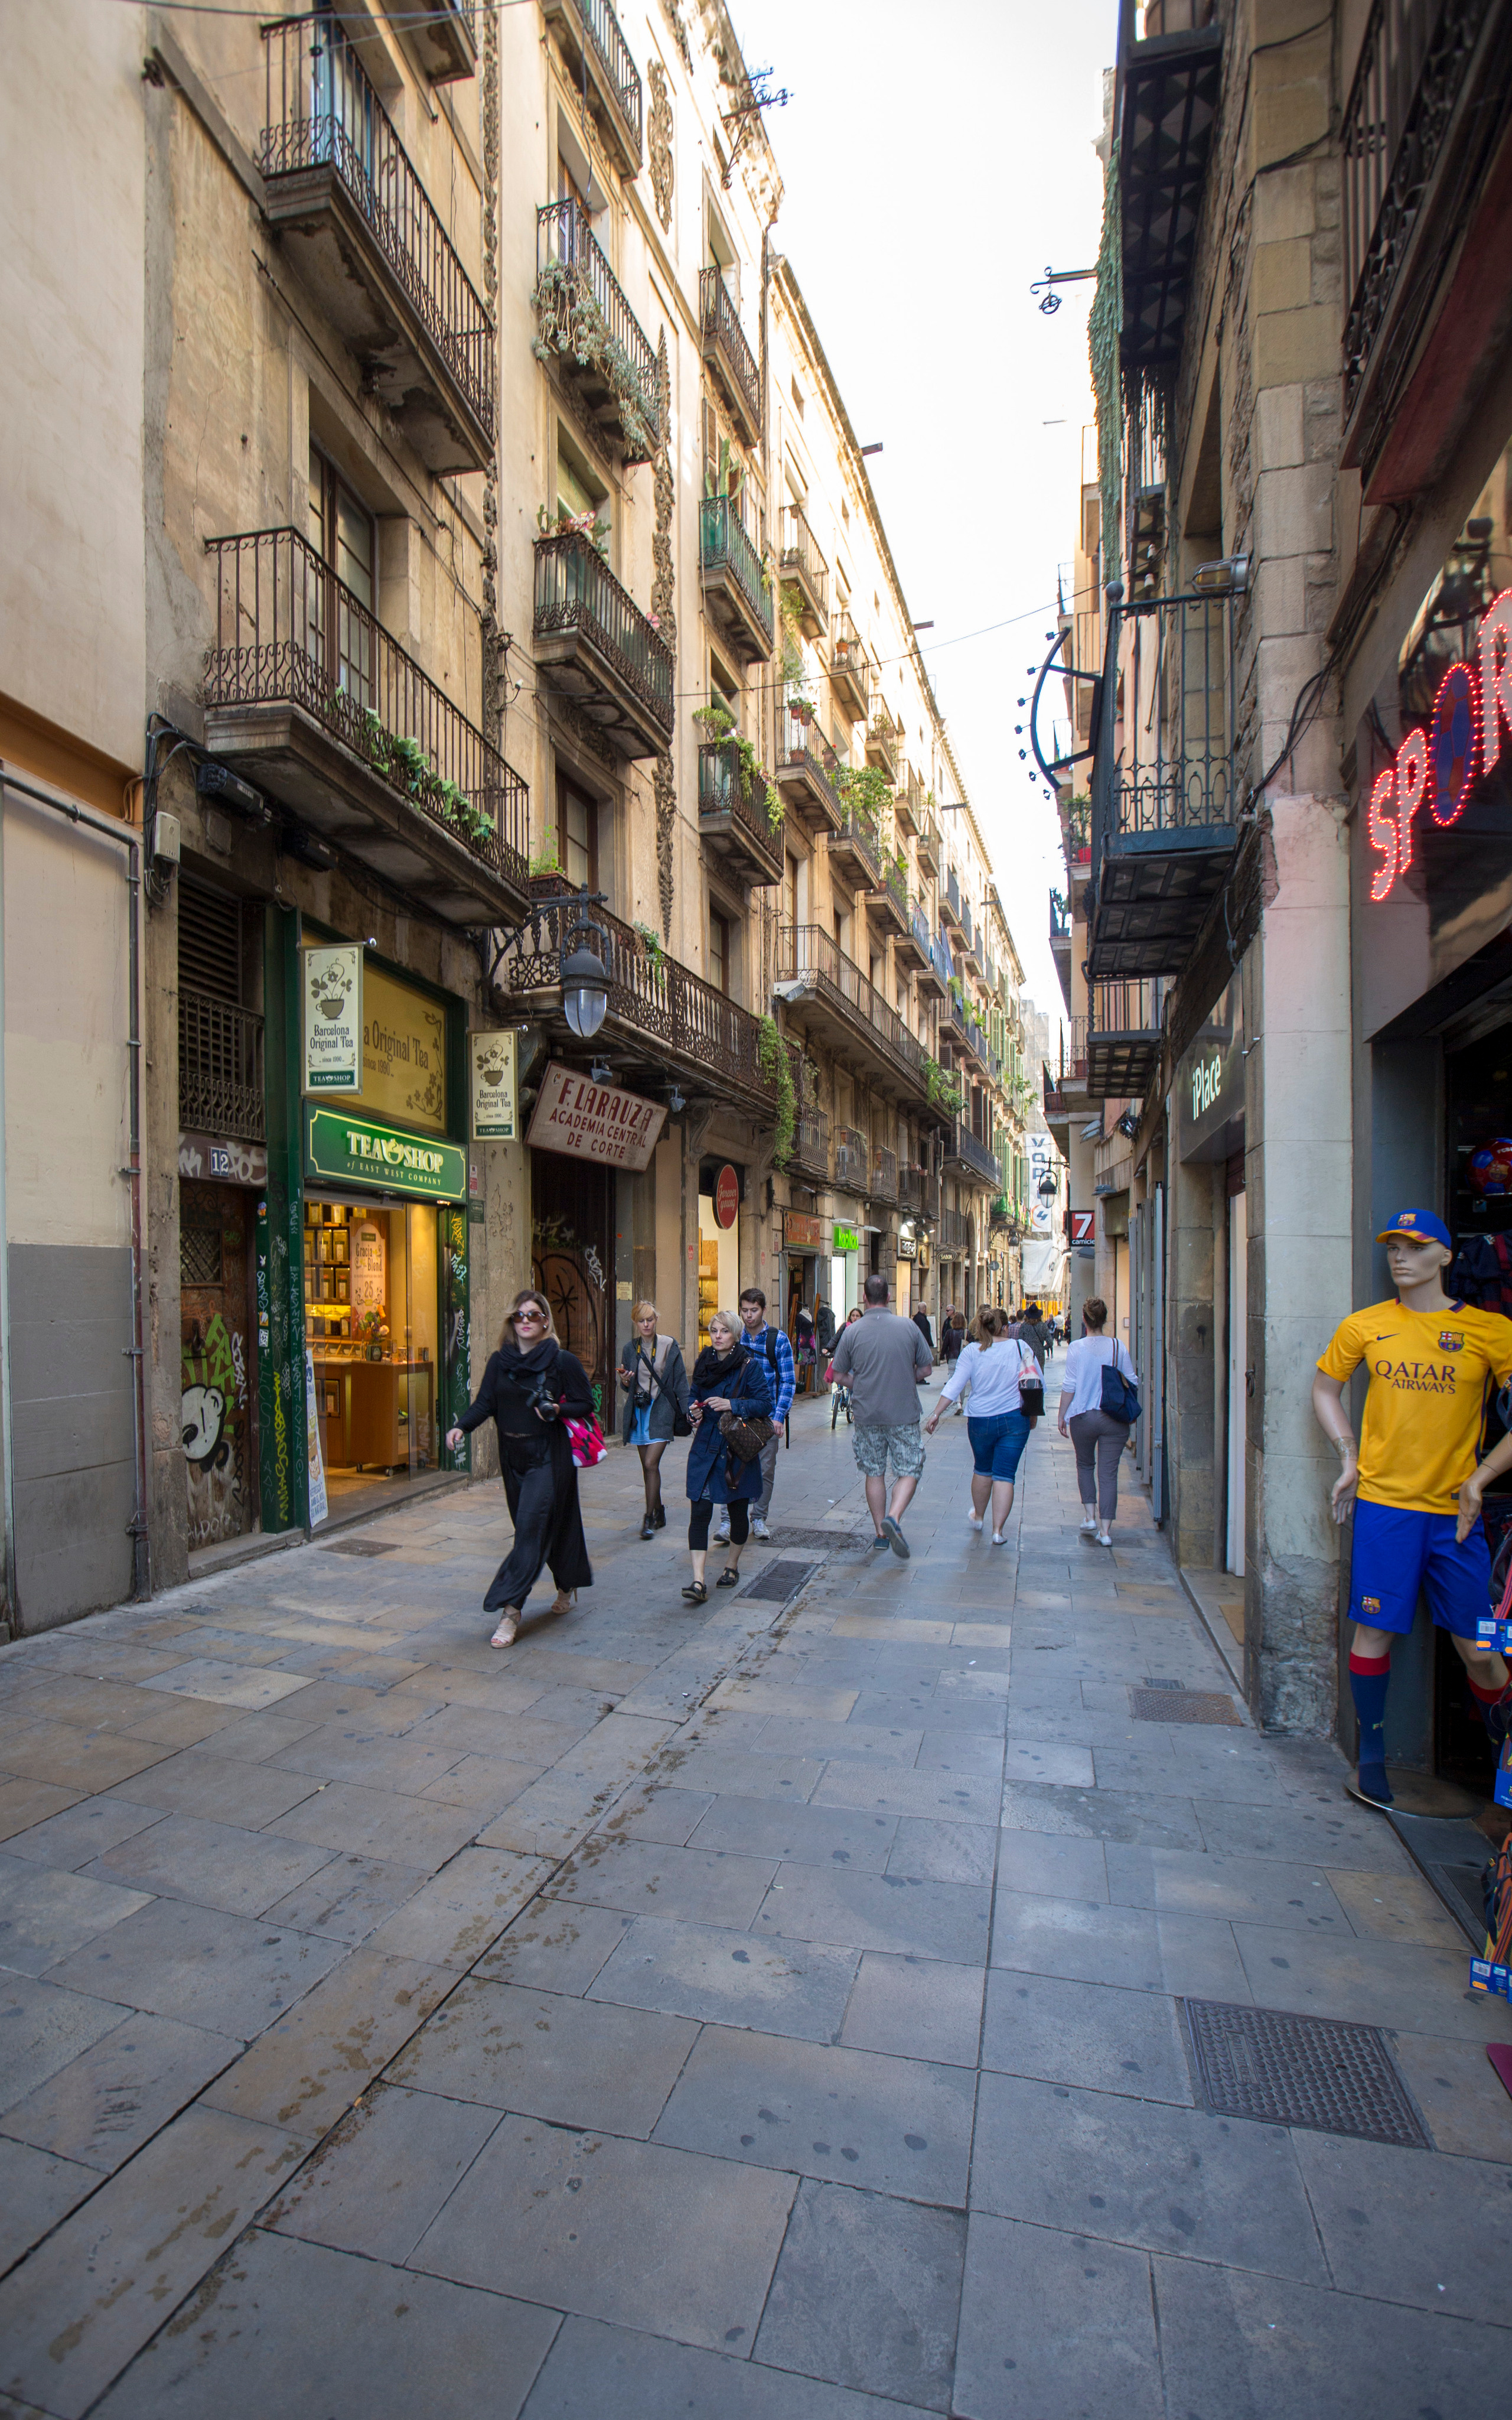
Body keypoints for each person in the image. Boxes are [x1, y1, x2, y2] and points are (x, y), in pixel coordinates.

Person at [1313, 1206, 1512, 1810]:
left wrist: (1481, 1476)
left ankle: (1501, 1770)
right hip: (1384, 1508)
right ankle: (1371, 1762)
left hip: (1458, 1520)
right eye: (1393, 1247)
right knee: (1373, 1629)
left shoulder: (1489, 1330)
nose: (1399, 1257)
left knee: (1482, 1647)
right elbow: (1325, 1387)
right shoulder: (1365, 1326)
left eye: (1415, 1246)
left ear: (1446, 1256)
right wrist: (1348, 1456)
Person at [445, 1289, 593, 1648]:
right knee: (542, 1526)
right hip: (512, 1458)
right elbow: (485, 1403)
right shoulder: (501, 1361)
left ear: (545, 1320)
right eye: (519, 1316)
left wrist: (558, 1410)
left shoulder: (561, 1361)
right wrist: (461, 1427)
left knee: (529, 1530)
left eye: (533, 1315)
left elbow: (586, 1403)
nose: (525, 1321)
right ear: (512, 1322)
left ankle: (510, 1612)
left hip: (549, 1457)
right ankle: (566, 1581)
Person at [829, 1272, 934, 1557]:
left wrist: (861, 1382)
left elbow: (838, 1374)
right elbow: (926, 1369)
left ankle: (879, 1533)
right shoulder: (909, 1327)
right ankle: (894, 1518)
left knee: (874, 1471)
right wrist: (903, 1375)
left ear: (864, 1298)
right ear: (888, 1297)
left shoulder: (852, 1331)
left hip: (867, 1412)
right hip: (903, 1411)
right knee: (910, 1468)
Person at [926, 1306, 1041, 1544]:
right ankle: (998, 1531)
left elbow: (955, 1384)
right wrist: (1033, 1415)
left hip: (980, 1420)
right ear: (1006, 1329)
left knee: (982, 1469)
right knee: (1005, 1476)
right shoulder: (1021, 1348)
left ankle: (979, 1517)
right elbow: (1036, 1381)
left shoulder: (971, 1352)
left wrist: (936, 1413)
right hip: (1014, 1420)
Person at [683, 1309, 774, 1604]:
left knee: (737, 1513)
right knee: (699, 1512)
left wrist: (732, 1404)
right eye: (714, 1331)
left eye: (724, 1331)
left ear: (735, 1334)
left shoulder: (749, 1365)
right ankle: (698, 1580)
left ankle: (731, 1566)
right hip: (706, 1447)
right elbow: (692, 1393)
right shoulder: (705, 1361)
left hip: (735, 1449)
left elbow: (764, 1404)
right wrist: (692, 1410)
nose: (718, 1337)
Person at [1057, 1297, 1139, 1551]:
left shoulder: (1077, 1348)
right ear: (1105, 1319)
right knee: (1109, 1474)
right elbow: (1132, 1380)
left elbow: (1070, 1385)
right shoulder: (1117, 1347)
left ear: (1084, 1320)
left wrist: (1062, 1415)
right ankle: (1105, 1531)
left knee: (1085, 1464)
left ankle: (1090, 1517)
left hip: (1083, 1415)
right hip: (1113, 1417)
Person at [715, 1289, 794, 1546]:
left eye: (754, 1311)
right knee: (730, 1468)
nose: (749, 1316)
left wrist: (779, 1417)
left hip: (765, 1419)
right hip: (735, 1417)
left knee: (765, 1470)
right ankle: (727, 1522)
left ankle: (759, 1518)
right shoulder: (734, 1338)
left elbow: (788, 1382)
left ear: (763, 1310)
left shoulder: (778, 1340)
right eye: (745, 1311)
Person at [617, 1300, 689, 1540]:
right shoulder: (630, 1349)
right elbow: (627, 1385)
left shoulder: (669, 1346)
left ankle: (648, 1518)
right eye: (641, 1320)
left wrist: (689, 1411)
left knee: (650, 1464)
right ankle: (659, 1511)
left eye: (650, 1319)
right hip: (639, 1413)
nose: (646, 1324)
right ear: (635, 1323)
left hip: (662, 1411)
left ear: (656, 1320)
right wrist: (626, 1381)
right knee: (649, 1467)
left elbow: (681, 1383)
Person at [941, 1307, 966, 1413]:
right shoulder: (967, 1333)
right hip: (964, 1361)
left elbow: (945, 1346)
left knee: (953, 1381)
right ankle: (961, 1401)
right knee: (962, 1382)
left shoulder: (950, 1333)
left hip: (952, 1359)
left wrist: (942, 1355)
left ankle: (958, 1403)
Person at [794, 1300, 817, 1397]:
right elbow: (798, 1329)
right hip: (803, 1340)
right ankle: (799, 1384)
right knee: (801, 1361)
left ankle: (805, 1385)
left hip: (811, 1340)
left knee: (810, 1362)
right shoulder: (799, 1316)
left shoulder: (810, 1315)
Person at [912, 1302, 936, 1377]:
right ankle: (921, 1378)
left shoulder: (916, 1318)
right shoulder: (922, 1319)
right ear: (925, 1309)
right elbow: (924, 1332)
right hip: (922, 1343)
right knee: (922, 1361)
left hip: (916, 1342)